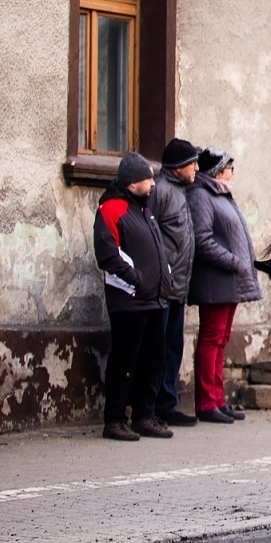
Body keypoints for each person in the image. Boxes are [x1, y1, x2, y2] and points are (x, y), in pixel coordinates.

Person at [93, 152, 172, 442]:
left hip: (153, 299)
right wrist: (136, 280)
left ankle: (144, 415)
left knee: (152, 360)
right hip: (129, 300)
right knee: (124, 362)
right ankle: (114, 419)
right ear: (131, 183)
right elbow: (108, 254)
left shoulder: (143, 210)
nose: (153, 183)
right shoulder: (112, 209)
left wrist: (166, 276)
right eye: (147, 179)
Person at [186, 148, 262, 424]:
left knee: (221, 340)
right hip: (215, 279)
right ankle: (206, 403)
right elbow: (202, 239)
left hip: (229, 280)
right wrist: (232, 261)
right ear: (217, 171)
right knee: (211, 339)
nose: (232, 174)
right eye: (230, 169)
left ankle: (217, 399)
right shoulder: (202, 196)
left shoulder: (220, 194)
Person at [148, 138, 199, 428]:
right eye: (192, 163)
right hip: (163, 288)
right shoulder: (163, 191)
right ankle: (153, 406)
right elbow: (151, 235)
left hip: (178, 288)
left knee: (172, 349)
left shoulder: (180, 191)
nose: (196, 168)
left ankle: (167, 405)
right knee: (158, 349)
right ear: (178, 167)